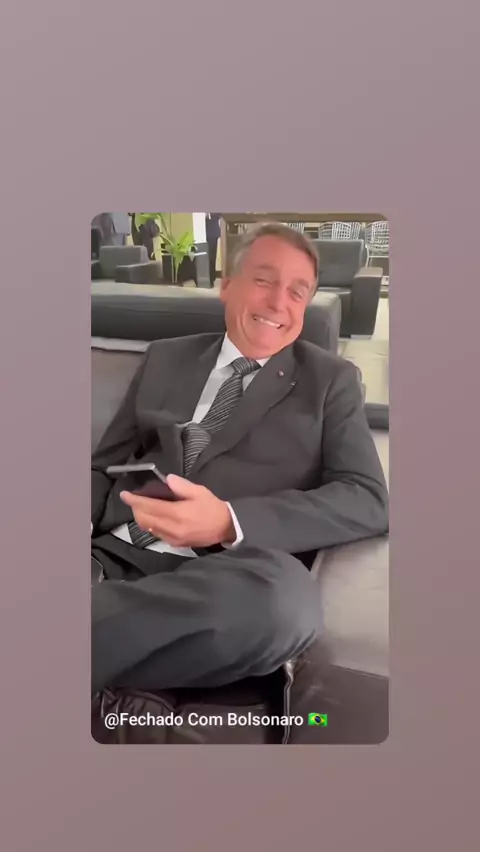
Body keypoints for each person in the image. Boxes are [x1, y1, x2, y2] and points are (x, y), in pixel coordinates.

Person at [91, 223, 389, 696]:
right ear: (226, 286)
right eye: (264, 280)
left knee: (285, 604)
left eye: (298, 292)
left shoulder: (331, 381)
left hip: (226, 576)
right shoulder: (165, 358)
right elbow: (101, 466)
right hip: (111, 552)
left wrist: (229, 521)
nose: (278, 302)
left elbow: (368, 498)